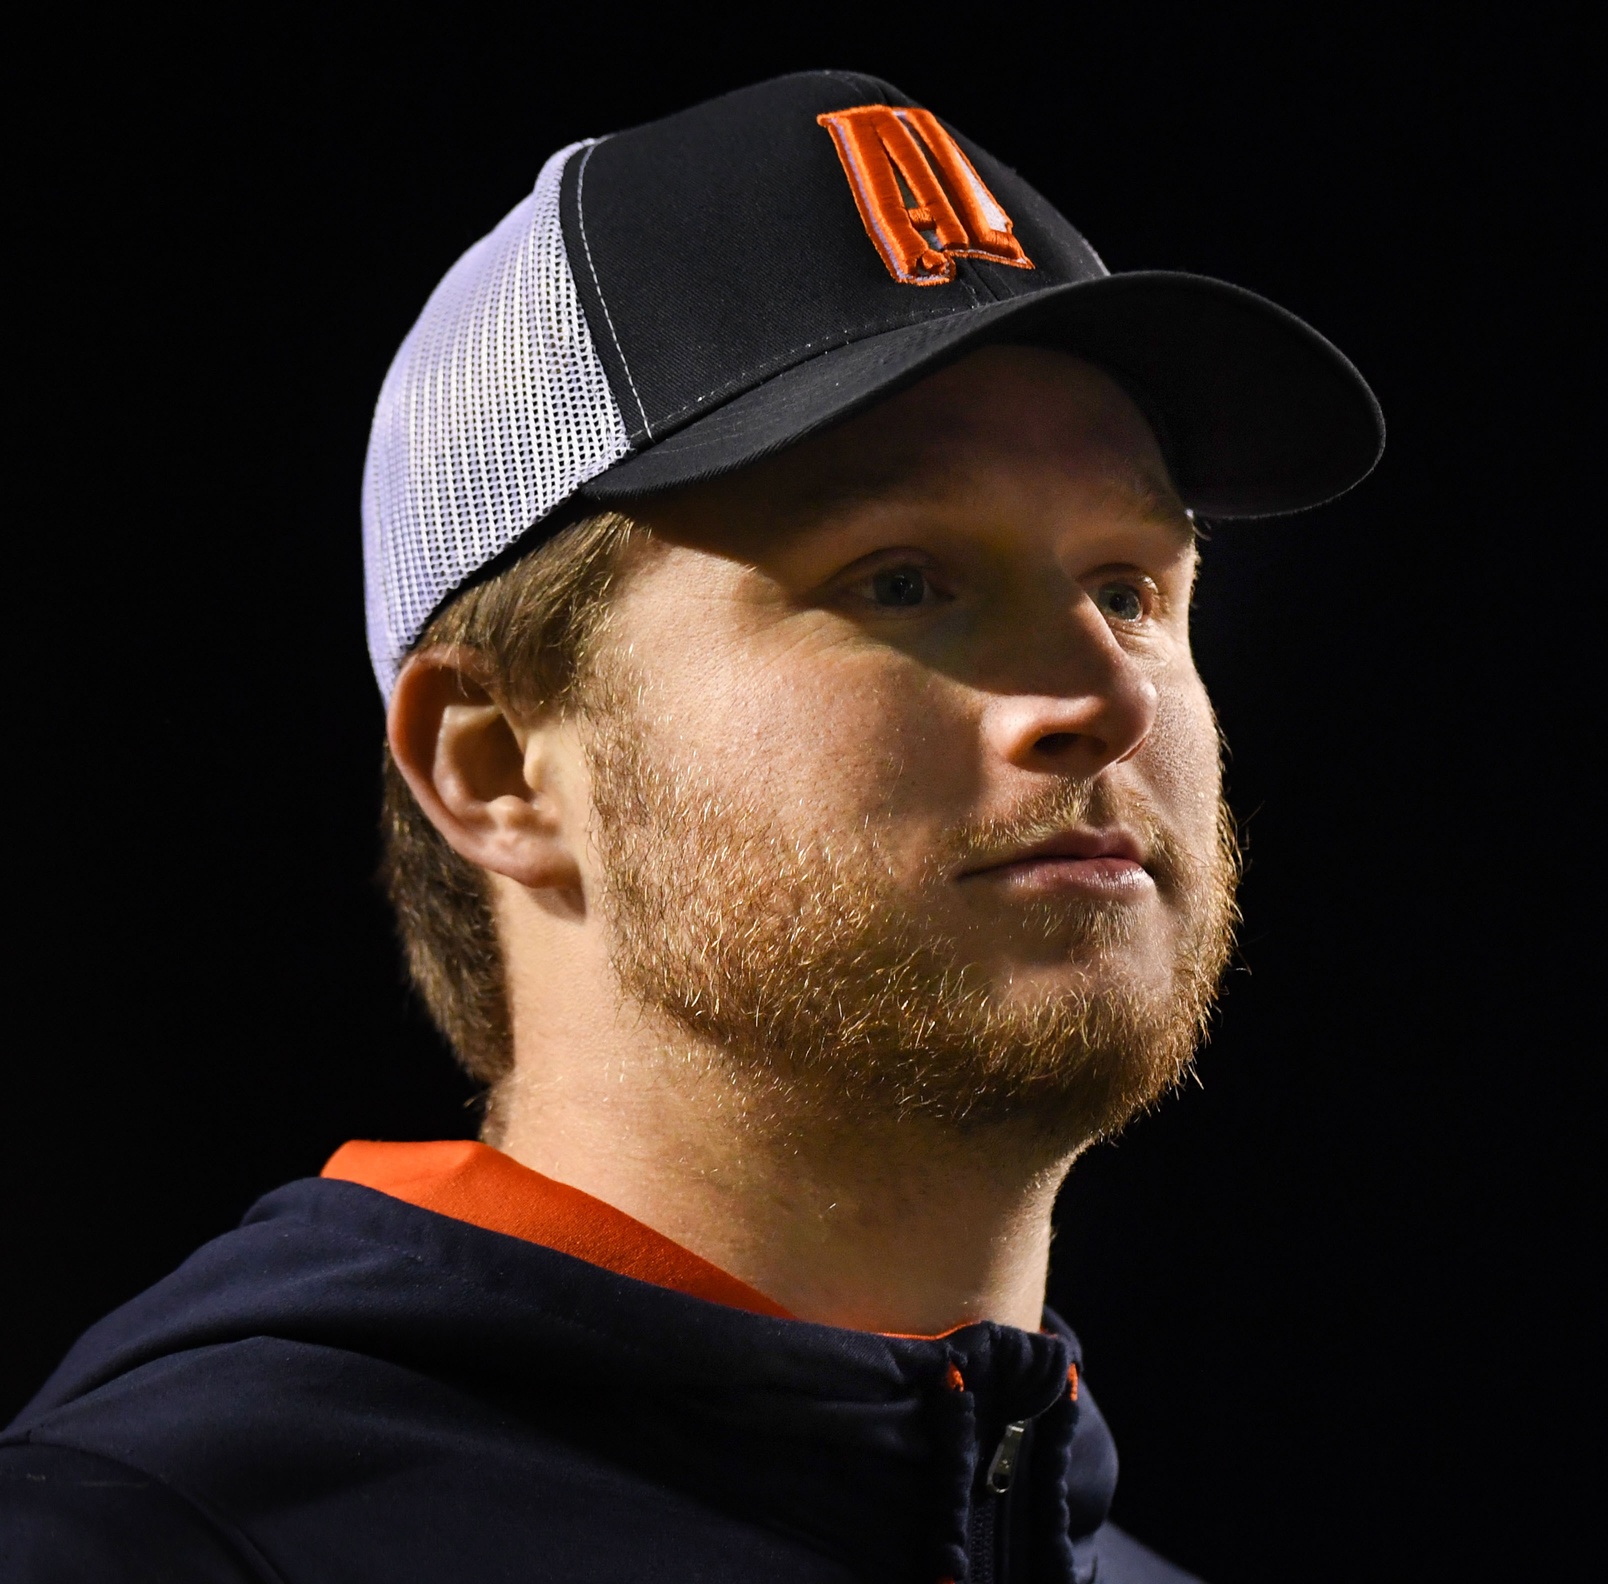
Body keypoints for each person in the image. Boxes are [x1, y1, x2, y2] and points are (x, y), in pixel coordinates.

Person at [0, 71, 1379, 1583]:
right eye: (901, 579)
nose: (1104, 697)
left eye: (1131, 588)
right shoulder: (141, 1542)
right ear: (497, 766)